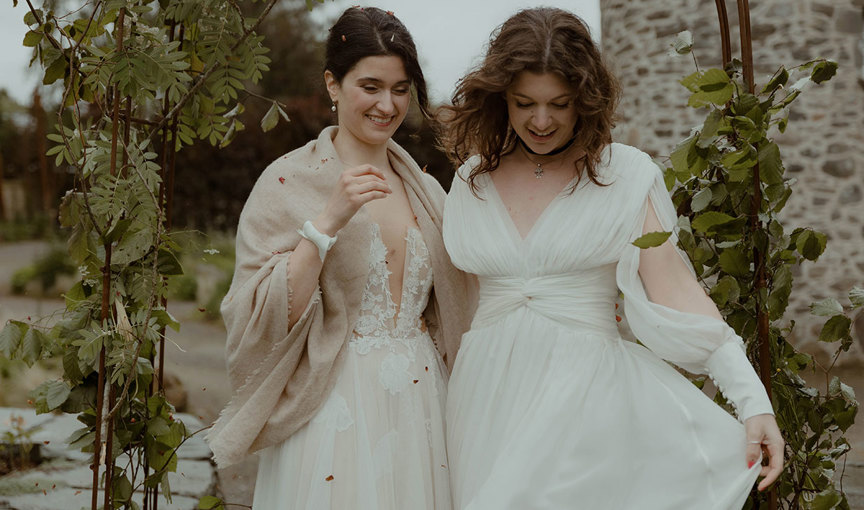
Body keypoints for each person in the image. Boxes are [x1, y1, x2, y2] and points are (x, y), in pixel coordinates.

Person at [438, 7, 783, 509]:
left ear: (586, 99)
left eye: (559, 103)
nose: (541, 120)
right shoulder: (472, 181)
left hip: (586, 402)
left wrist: (752, 399)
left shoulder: (624, 174)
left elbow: (677, 292)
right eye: (523, 103)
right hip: (483, 401)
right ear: (500, 99)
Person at [205, 7, 472, 509]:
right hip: (335, 402)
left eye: (399, 88)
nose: (387, 104)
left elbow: (459, 299)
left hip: (422, 401)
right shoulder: (288, 182)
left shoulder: (429, 192)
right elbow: (264, 313)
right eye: (369, 86)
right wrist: (326, 222)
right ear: (333, 84)